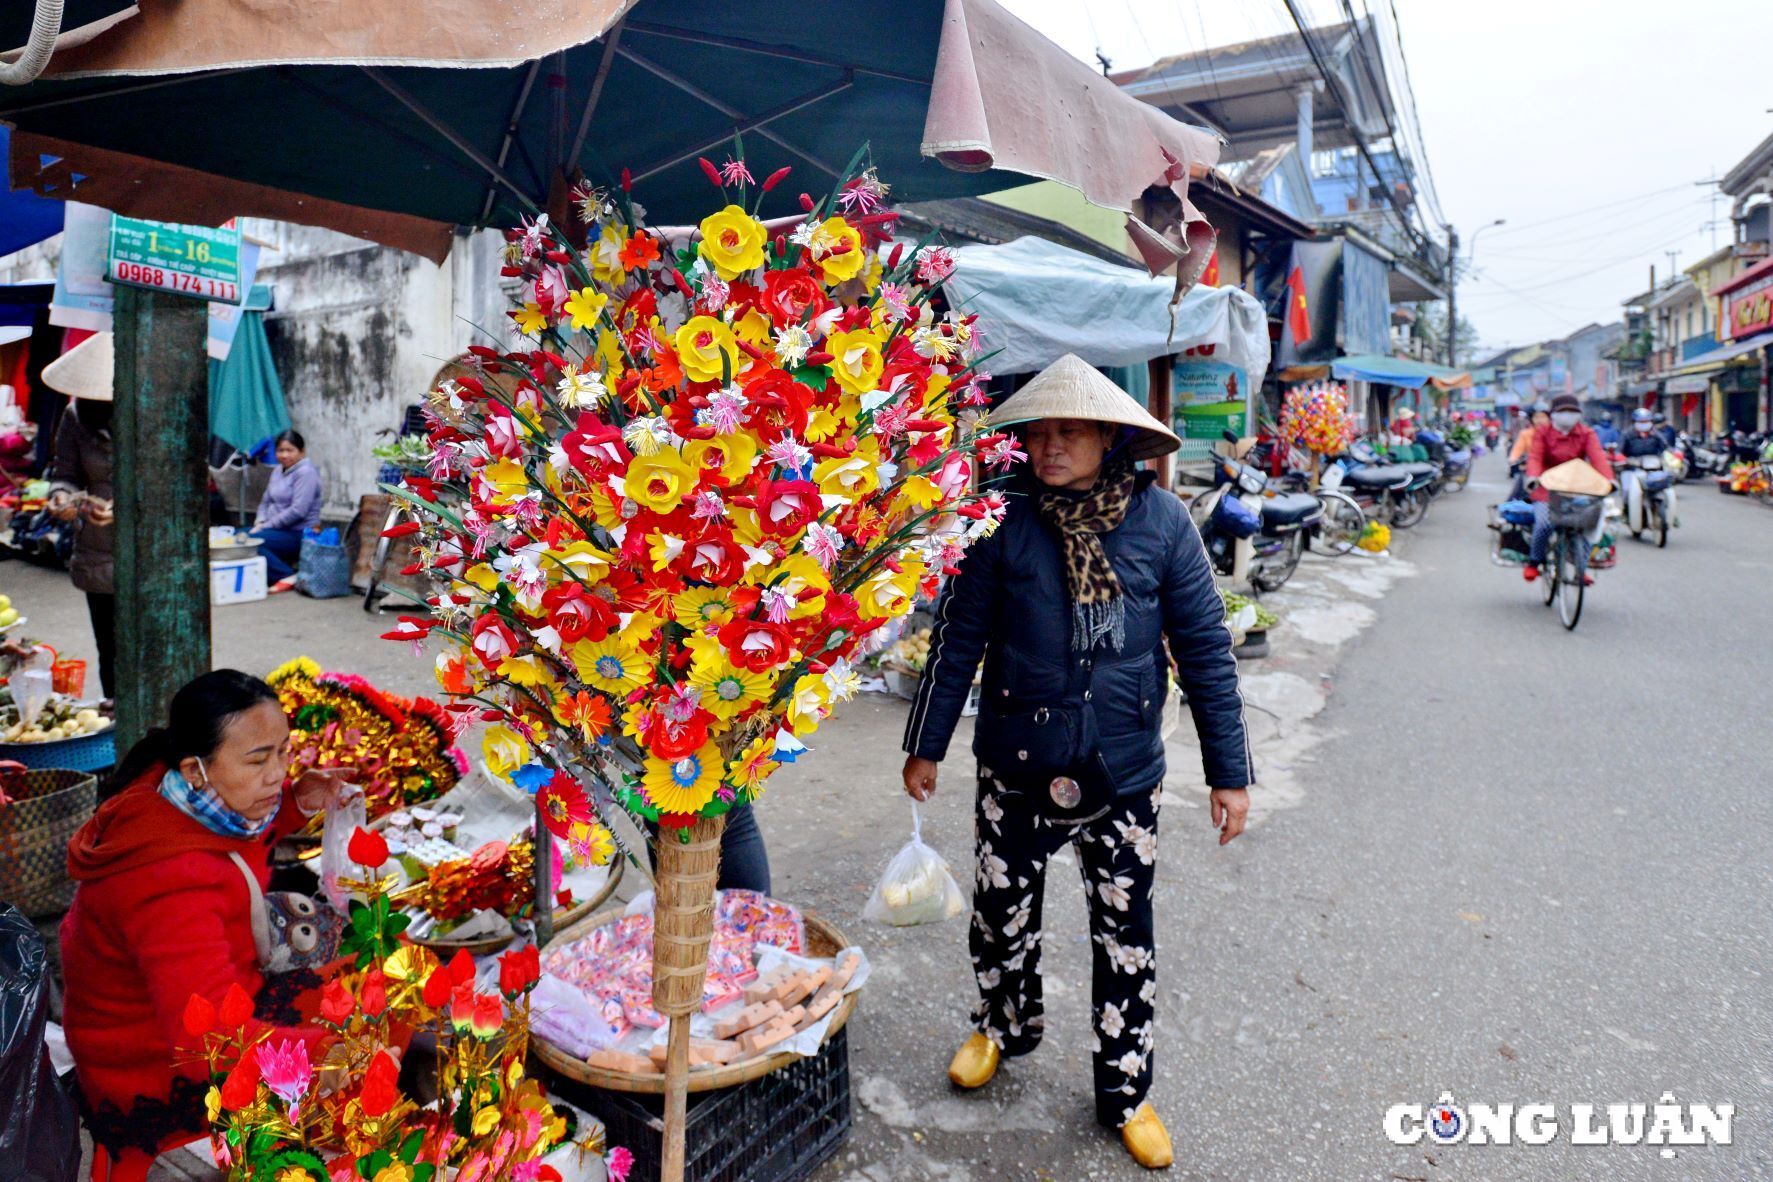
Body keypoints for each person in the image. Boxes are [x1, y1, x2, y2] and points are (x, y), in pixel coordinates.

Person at [900, 355, 1252, 1170]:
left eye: (1068, 431)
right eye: (1038, 432)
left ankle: (1126, 1090)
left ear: (1109, 437)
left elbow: (1204, 650)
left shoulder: (1161, 523)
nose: (1050, 446)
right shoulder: (1000, 520)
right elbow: (957, 640)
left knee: (1125, 934)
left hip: (1122, 769)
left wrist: (1226, 772)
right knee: (1001, 916)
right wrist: (927, 742)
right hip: (1016, 762)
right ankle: (999, 1027)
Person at [60, 670, 354, 1178]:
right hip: (146, 1064)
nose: (277, 773)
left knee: (361, 977)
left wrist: (293, 804)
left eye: (284, 752)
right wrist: (325, 1051)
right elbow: (207, 1044)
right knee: (353, 1019)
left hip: (188, 1004)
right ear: (195, 769)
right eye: (259, 760)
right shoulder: (166, 884)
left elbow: (234, 849)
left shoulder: (177, 794)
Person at [41, 332, 117, 699]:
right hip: (98, 554)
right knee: (111, 651)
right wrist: (62, 499)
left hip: (152, 552)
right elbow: (65, 474)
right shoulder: (75, 416)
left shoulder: (156, 413)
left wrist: (127, 509)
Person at [1523, 393, 1615, 585]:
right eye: (1563, 411)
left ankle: (1581, 568)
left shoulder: (1586, 433)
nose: (1568, 415)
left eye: (1573, 412)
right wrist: (1533, 477)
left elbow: (1597, 457)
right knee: (1543, 524)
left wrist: (1609, 480)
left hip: (1577, 486)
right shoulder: (1543, 432)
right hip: (1546, 487)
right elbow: (1535, 457)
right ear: (1553, 414)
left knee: (1587, 524)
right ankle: (1534, 561)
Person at [250, 429, 322, 593]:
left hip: (298, 533)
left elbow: (298, 510)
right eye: (280, 450)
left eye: (289, 450)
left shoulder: (306, 473)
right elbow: (265, 500)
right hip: (274, 530)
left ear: (301, 452)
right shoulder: (277, 471)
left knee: (251, 542)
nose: (284, 455)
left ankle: (286, 575)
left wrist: (266, 526)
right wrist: (260, 521)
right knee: (238, 537)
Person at [1619, 408, 1664, 529]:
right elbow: (1619, 451)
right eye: (1641, 422)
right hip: (1631, 469)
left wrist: (1672, 455)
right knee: (1626, 491)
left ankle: (1668, 514)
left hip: (1652, 468)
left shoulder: (1656, 434)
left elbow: (1666, 447)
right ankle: (1626, 512)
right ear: (1634, 422)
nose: (1644, 424)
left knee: (1664, 487)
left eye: (1647, 421)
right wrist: (1622, 458)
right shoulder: (1627, 434)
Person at [1507, 403, 1550, 501]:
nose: (1540, 420)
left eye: (1543, 417)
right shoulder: (1526, 434)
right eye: (1536, 417)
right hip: (1530, 470)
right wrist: (1513, 458)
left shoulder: (1554, 433)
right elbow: (1517, 449)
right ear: (1531, 419)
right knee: (1517, 495)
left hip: (1551, 471)